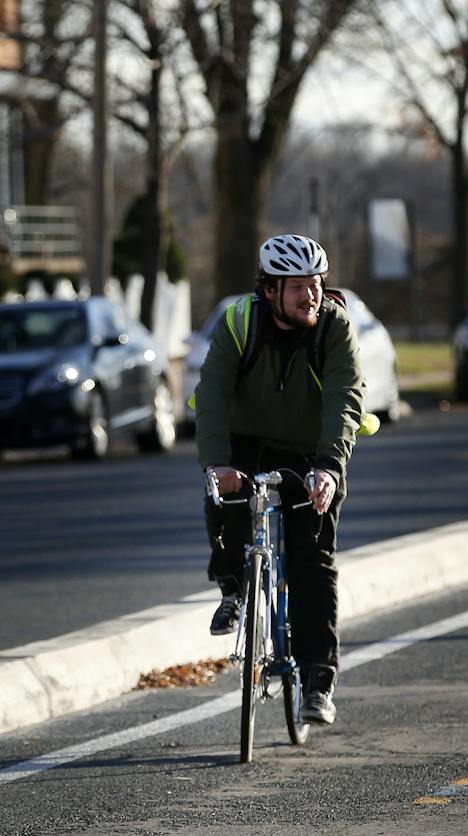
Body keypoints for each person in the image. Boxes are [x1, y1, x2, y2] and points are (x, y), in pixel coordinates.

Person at [192, 234, 365, 725]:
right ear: (270, 291)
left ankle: (317, 680)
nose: (310, 294)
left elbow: (344, 398)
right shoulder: (239, 324)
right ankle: (231, 586)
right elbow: (211, 396)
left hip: (312, 451)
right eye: (297, 287)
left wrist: (330, 468)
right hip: (249, 441)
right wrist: (216, 465)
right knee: (223, 499)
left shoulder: (334, 327)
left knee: (314, 561)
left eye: (315, 284)